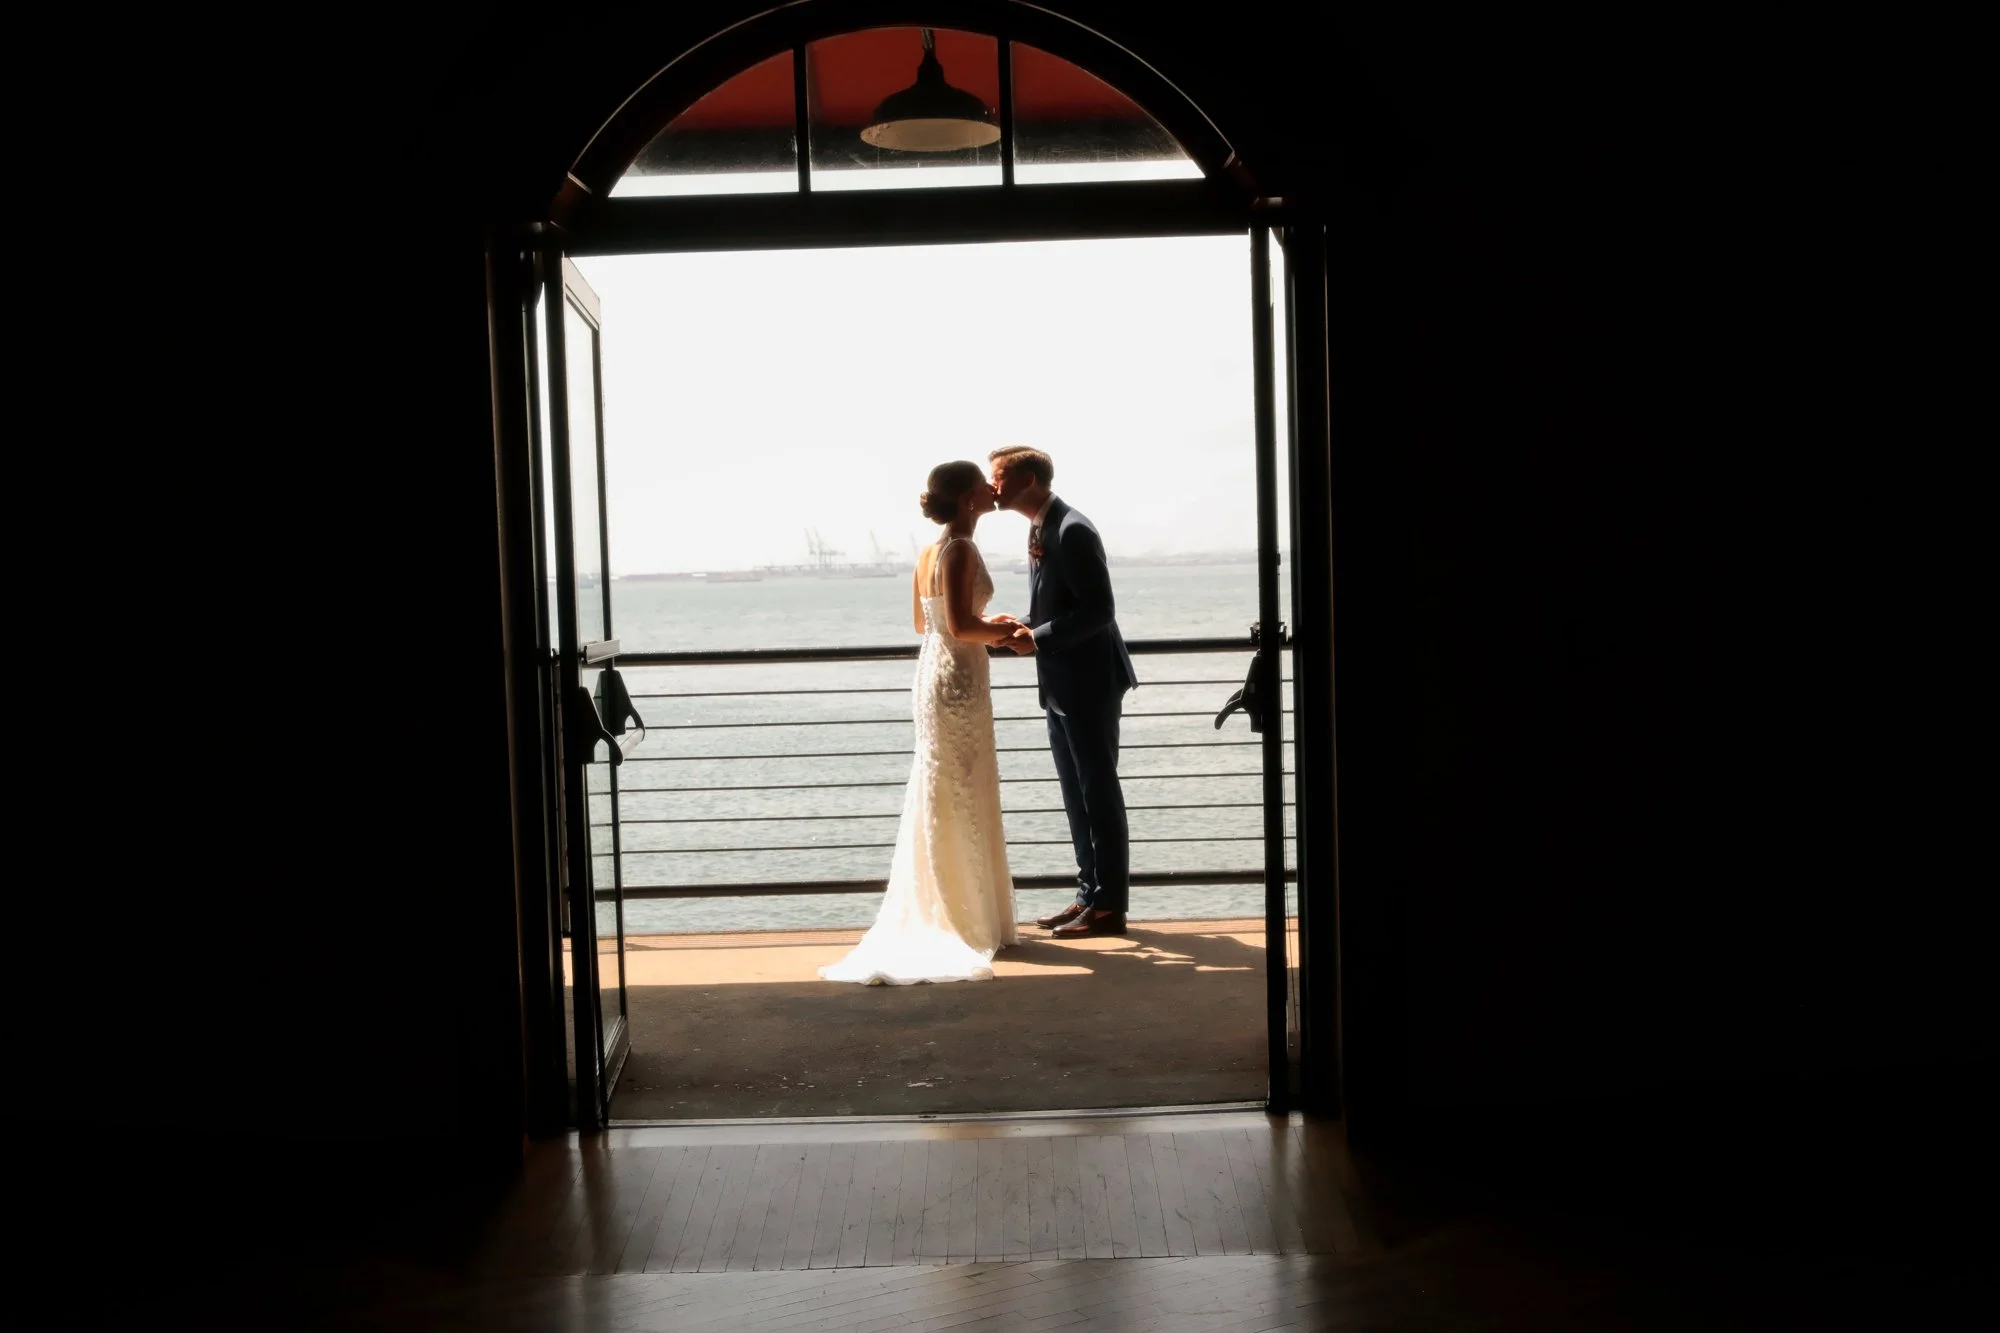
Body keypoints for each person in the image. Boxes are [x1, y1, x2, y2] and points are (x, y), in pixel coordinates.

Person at [819, 461, 1023, 984]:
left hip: (933, 670)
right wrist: (1005, 634)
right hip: (957, 677)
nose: (989, 488)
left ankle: (950, 902)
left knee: (943, 784)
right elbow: (961, 625)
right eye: (981, 483)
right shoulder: (962, 549)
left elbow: (923, 621)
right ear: (966, 499)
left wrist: (986, 626)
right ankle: (965, 914)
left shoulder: (929, 551)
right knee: (961, 782)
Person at [988, 446, 1137, 937]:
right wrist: (1017, 627)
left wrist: (1037, 638)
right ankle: (1087, 896)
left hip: (1089, 684)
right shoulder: (1041, 527)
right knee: (1077, 796)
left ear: (1028, 478)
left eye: (1000, 478)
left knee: (1098, 794)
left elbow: (1099, 611)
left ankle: (1109, 907)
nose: (994, 488)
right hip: (1061, 685)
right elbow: (1060, 605)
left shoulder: (1073, 529)